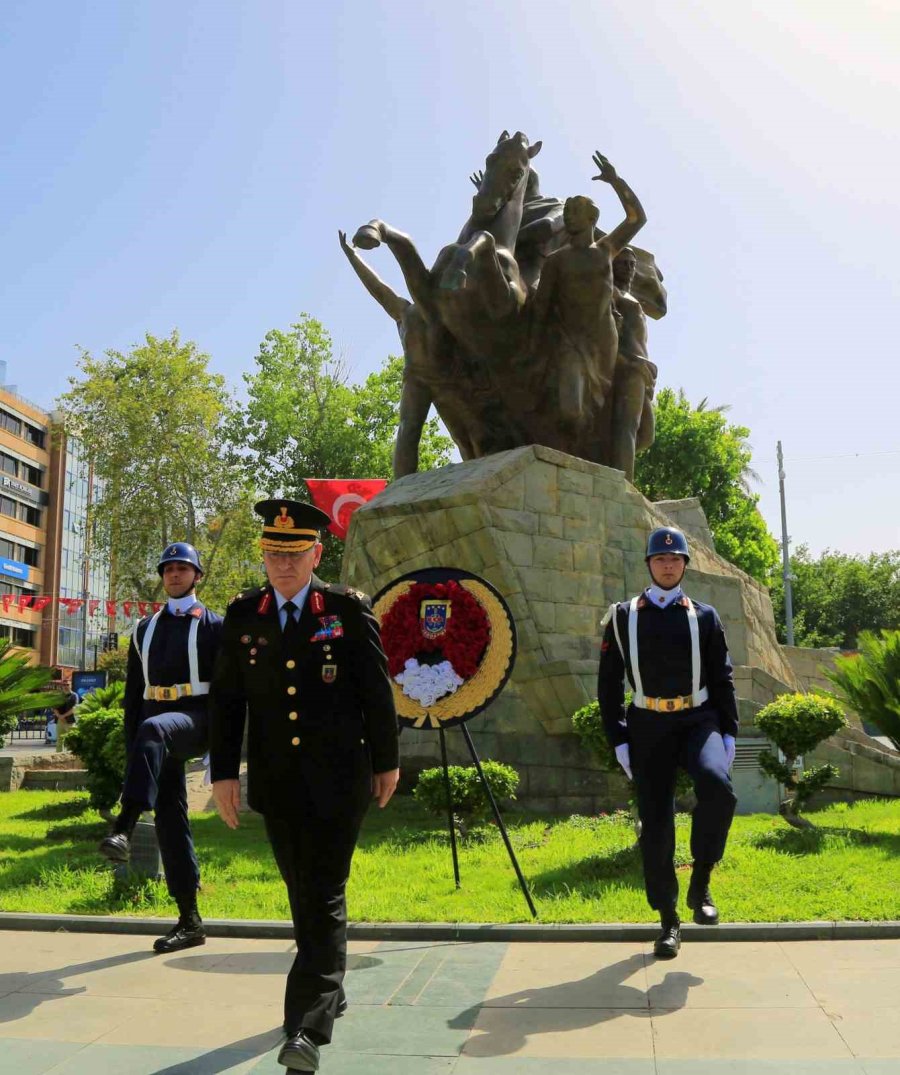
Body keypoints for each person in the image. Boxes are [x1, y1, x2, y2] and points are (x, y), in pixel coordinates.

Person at [208, 499, 399, 1073]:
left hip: (341, 776)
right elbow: (226, 701)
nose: (282, 564)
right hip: (276, 779)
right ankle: (331, 984)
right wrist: (222, 773)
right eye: (272, 553)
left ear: (317, 553)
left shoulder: (342, 608)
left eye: (293, 554)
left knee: (323, 891)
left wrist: (387, 762)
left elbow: (375, 691)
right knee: (302, 892)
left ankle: (307, 1029)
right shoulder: (244, 614)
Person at [597, 526, 738, 959]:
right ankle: (669, 921)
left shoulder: (705, 616)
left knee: (718, 786)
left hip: (698, 719)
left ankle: (702, 881)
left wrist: (729, 732)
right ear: (648, 564)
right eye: (661, 558)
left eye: (676, 559)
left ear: (684, 566)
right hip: (648, 725)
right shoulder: (622, 616)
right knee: (657, 826)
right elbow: (607, 683)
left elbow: (723, 677)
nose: (668, 564)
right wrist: (618, 738)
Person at [98, 542, 223, 954]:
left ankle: (123, 827)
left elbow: (228, 691)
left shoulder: (215, 625)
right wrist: (135, 746)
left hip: (195, 719)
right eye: (168, 568)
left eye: (182, 568)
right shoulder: (144, 629)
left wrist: (220, 747)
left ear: (197, 576)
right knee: (172, 822)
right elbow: (134, 695)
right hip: (155, 729)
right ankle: (190, 920)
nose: (173, 574)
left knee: (154, 728)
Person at [610, 246, 658, 482]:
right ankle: (622, 488)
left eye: (632, 264)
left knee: (647, 435)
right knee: (627, 428)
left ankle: (612, 465)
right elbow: (604, 333)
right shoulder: (612, 292)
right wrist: (628, 361)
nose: (629, 268)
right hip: (627, 367)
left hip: (643, 372)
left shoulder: (632, 298)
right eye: (623, 263)